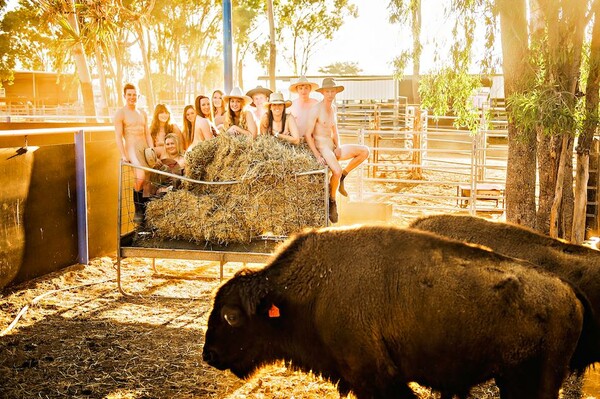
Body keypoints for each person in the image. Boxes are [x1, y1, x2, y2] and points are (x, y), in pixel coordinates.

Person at [305, 78, 370, 223]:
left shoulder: (333, 108)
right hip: (322, 146)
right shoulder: (316, 109)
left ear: (335, 92)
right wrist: (317, 155)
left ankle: (343, 177)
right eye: (327, 91)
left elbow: (335, 130)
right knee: (336, 170)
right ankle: (332, 201)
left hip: (332, 146)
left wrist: (339, 146)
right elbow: (308, 135)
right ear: (322, 92)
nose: (330, 94)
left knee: (365, 151)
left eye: (332, 91)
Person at [114, 82, 152, 224]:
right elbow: (118, 136)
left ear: (138, 96)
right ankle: (138, 209)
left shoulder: (142, 113)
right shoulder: (121, 113)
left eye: (134, 95)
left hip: (143, 147)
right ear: (124, 96)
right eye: (129, 95)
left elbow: (147, 133)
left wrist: (151, 149)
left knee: (147, 179)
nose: (132, 97)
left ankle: (146, 211)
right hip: (131, 147)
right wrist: (123, 155)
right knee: (140, 177)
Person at [146, 133, 185, 197]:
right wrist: (155, 159)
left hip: (174, 187)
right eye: (167, 144)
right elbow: (148, 151)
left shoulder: (183, 158)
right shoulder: (162, 152)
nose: (170, 146)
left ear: (177, 144)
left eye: (172, 143)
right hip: (159, 184)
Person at [288, 76, 319, 144]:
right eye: (300, 88)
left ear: (310, 89)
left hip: (313, 140)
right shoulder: (292, 105)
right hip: (297, 139)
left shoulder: (316, 104)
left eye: (306, 88)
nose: (303, 91)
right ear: (297, 90)